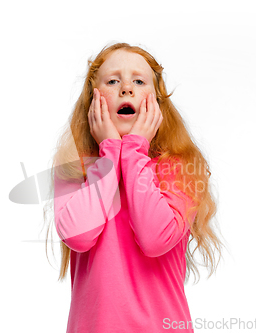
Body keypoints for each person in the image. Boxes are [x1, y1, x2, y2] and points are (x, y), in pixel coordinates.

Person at [44, 42, 222, 333]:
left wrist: (135, 150)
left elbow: (155, 240)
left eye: (138, 81)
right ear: (93, 99)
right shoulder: (74, 169)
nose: (126, 88)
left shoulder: (180, 168)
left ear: (156, 102)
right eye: (113, 81)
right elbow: (79, 236)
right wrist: (111, 151)